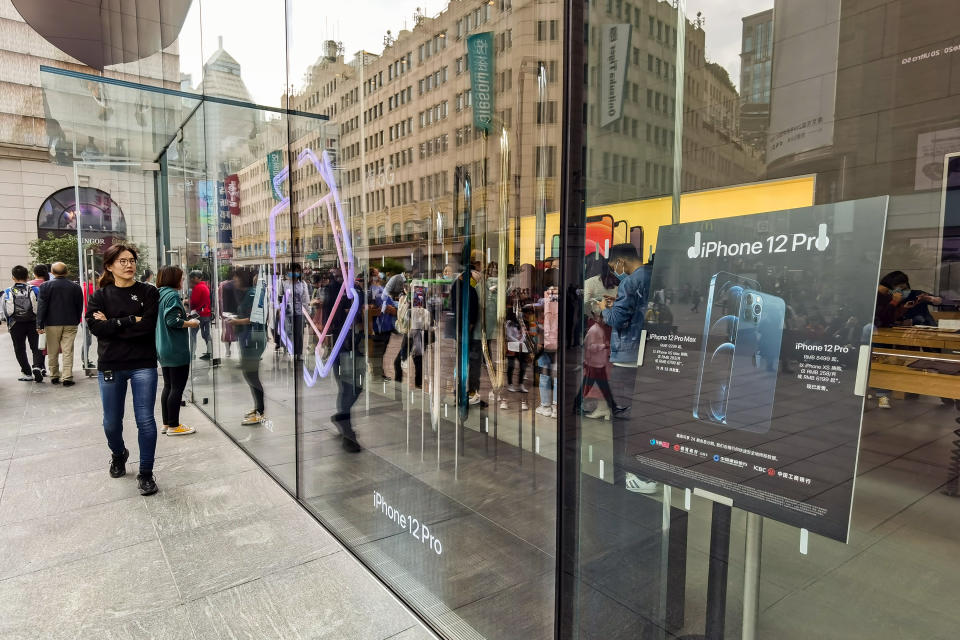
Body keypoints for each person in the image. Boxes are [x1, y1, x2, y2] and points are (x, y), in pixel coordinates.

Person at [85, 244, 160, 496]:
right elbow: (96, 328)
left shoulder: (148, 292)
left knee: (146, 421)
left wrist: (113, 325)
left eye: (131, 260)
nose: (129, 265)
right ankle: (119, 453)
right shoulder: (99, 296)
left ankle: (146, 473)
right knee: (111, 423)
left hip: (143, 364)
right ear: (109, 266)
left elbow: (148, 327)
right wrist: (129, 320)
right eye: (122, 261)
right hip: (111, 364)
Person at [601, 243, 656, 494]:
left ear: (622, 261)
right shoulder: (653, 276)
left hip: (627, 355)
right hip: (646, 353)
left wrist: (605, 310)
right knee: (643, 414)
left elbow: (617, 320)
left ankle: (636, 475)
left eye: (615, 266)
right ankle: (648, 468)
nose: (615, 271)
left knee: (623, 418)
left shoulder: (630, 282)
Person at [156, 266, 199, 436]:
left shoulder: (159, 294)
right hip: (175, 348)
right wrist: (191, 323)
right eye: (181, 278)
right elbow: (172, 320)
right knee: (177, 388)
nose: (182, 281)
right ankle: (174, 425)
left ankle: (167, 423)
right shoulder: (172, 295)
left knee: (168, 386)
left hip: (163, 347)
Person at [226, 267, 268, 425]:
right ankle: (258, 407)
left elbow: (254, 318)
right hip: (248, 338)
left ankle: (260, 411)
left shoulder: (253, 294)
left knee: (251, 375)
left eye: (236, 278)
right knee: (249, 374)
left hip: (253, 339)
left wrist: (236, 321)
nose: (234, 281)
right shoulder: (249, 294)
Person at [36, 261, 83, 386]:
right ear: (67, 272)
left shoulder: (45, 286)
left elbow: (42, 306)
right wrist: (76, 320)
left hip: (51, 323)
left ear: (51, 272)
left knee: (52, 350)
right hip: (70, 322)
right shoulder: (75, 287)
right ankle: (67, 377)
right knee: (68, 350)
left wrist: (39, 324)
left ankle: (54, 375)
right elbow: (79, 306)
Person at [3, 265, 43, 382]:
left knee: (19, 348)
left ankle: (27, 373)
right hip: (33, 322)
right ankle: (37, 367)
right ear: (27, 276)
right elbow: (40, 306)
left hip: (15, 324)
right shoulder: (35, 289)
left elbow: (5, 311)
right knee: (36, 347)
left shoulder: (7, 291)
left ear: (13, 278)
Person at [187, 270, 212, 360]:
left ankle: (192, 354)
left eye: (193, 277)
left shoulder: (198, 287)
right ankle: (210, 352)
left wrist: (187, 302)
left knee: (193, 334)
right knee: (206, 334)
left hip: (198, 314)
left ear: (198, 278)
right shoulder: (205, 286)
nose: (192, 279)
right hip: (206, 313)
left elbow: (194, 302)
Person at [218, 267, 239, 357]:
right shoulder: (239, 284)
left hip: (226, 310)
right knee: (237, 332)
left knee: (227, 331)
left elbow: (220, 299)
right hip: (236, 310)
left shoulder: (222, 285)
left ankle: (227, 351)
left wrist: (220, 312)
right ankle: (237, 351)